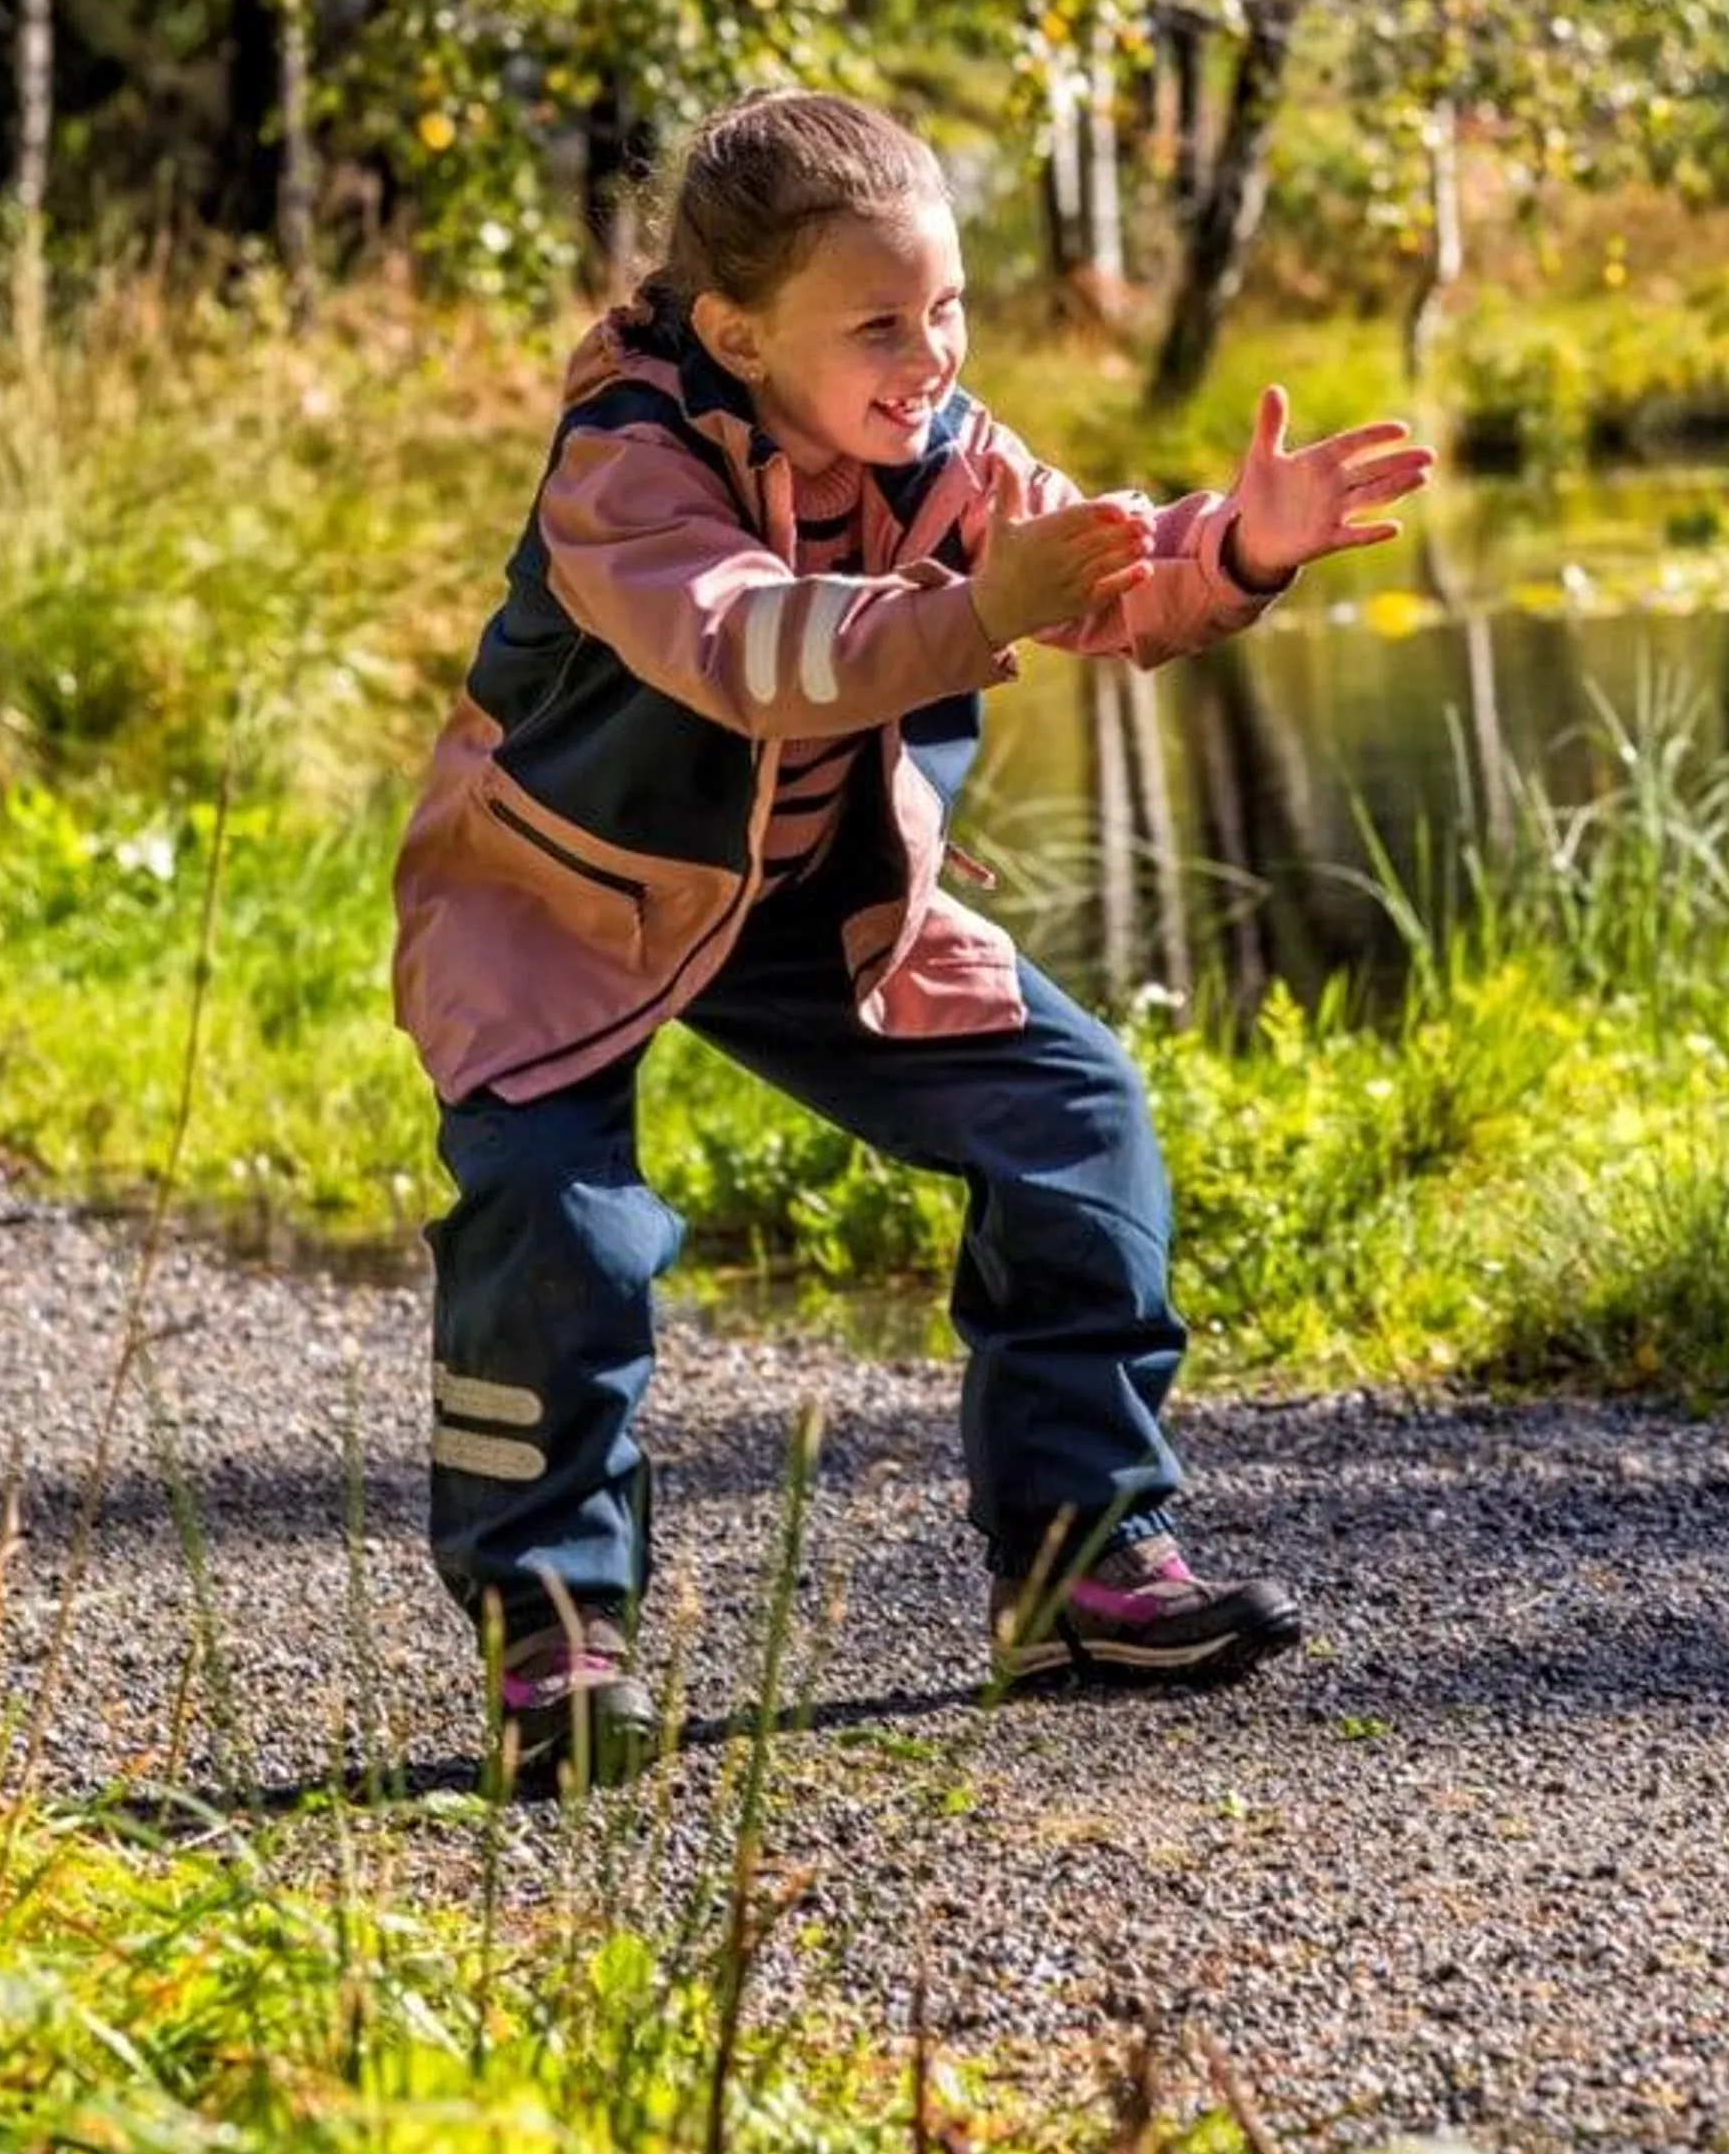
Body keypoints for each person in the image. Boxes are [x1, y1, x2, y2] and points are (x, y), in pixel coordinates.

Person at [393, 86, 1431, 1784]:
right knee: (559, 1230)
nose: (930, 351)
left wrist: (1235, 544)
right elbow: (760, 651)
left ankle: (1081, 1556)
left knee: (1076, 1115)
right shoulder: (626, 467)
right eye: (879, 322)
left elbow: (1105, 569)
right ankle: (554, 1641)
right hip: (559, 909)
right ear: (737, 329)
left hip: (818, 904)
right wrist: (973, 612)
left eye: (946, 306)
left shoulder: (936, 445)